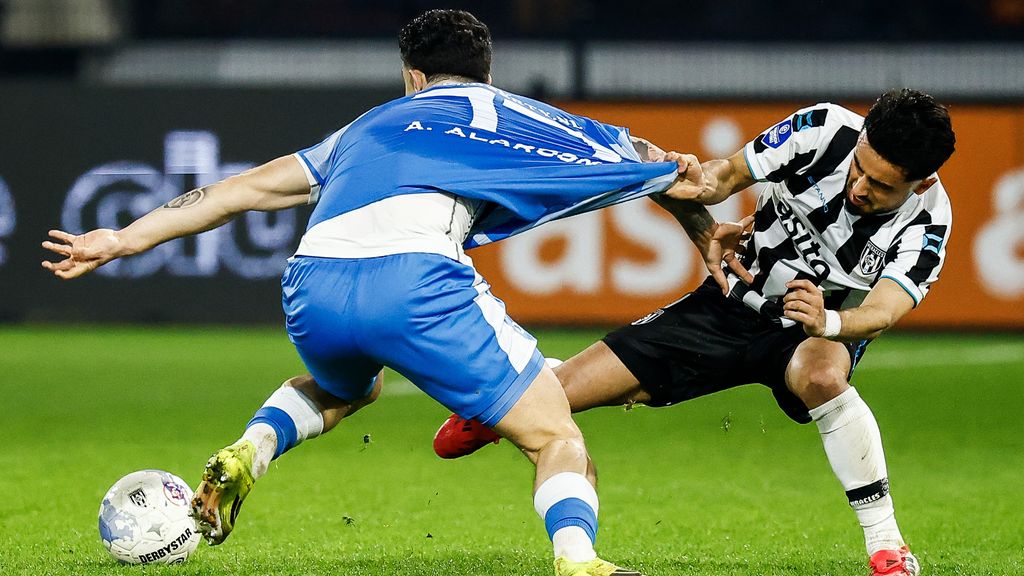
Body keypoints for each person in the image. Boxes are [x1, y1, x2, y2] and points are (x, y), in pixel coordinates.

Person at [41, 9, 721, 576]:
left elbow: (236, 192)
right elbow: (654, 164)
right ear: (488, 74)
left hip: (312, 283)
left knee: (346, 388)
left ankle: (253, 447)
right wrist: (703, 231)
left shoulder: (365, 127)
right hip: (415, 282)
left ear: (412, 77)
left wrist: (122, 239)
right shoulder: (510, 112)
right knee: (554, 437)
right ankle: (578, 561)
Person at [433, 88, 956, 576]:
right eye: (860, 169)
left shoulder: (929, 220)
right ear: (861, 138)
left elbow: (883, 309)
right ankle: (510, 401)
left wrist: (830, 322)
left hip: (816, 330)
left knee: (821, 375)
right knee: (566, 393)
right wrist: (693, 182)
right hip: (732, 301)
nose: (859, 188)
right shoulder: (822, 129)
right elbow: (724, 176)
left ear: (921, 182)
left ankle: (887, 544)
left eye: (881, 186)